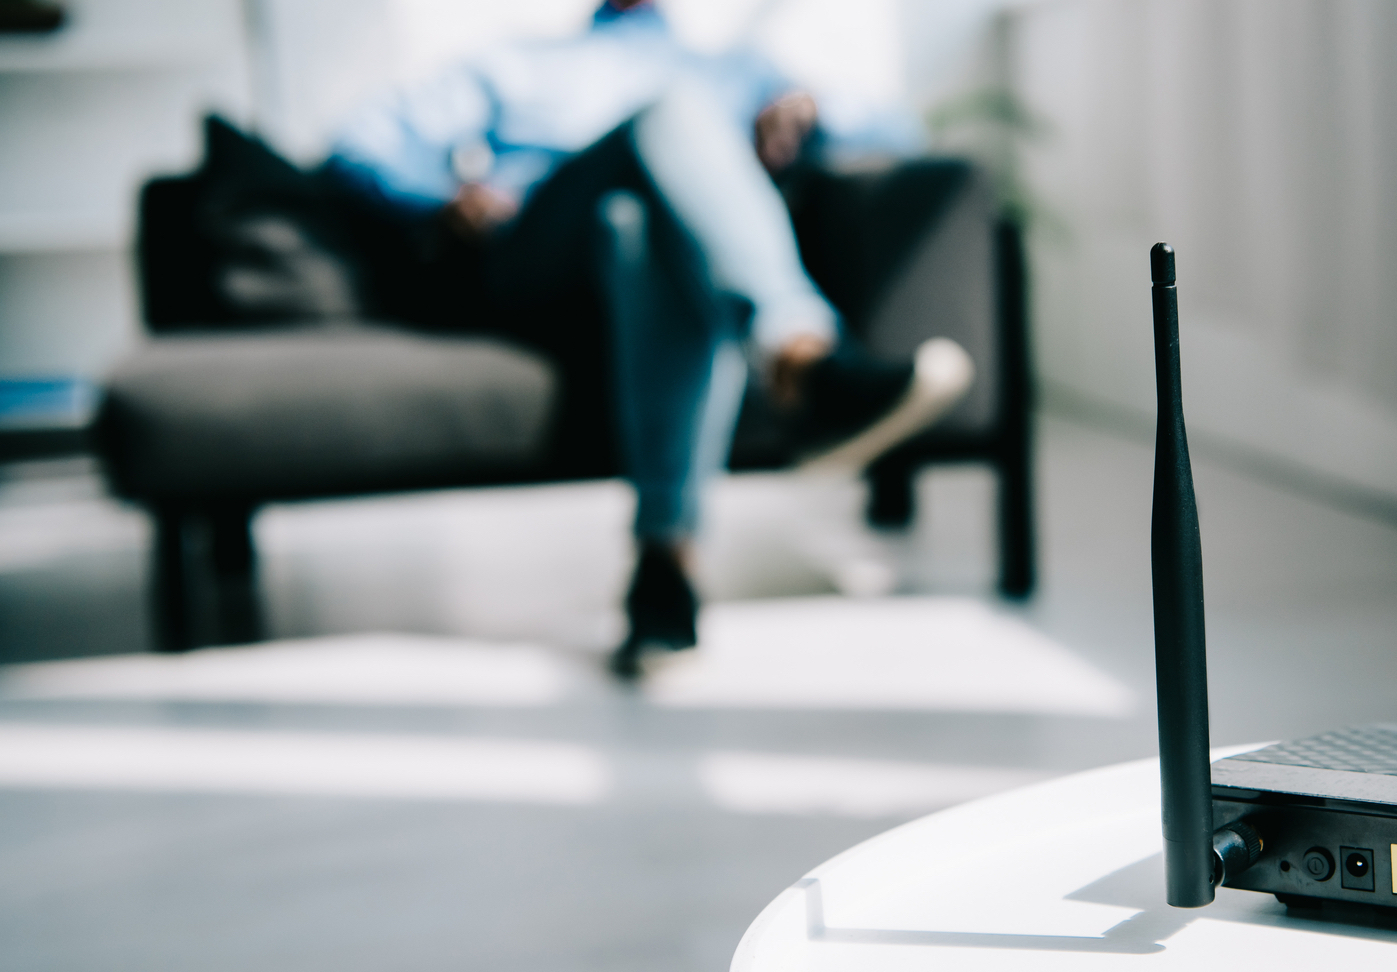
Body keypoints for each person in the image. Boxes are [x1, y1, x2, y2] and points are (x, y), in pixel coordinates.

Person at [322, 0, 970, 675]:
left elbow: (897, 132)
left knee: (636, 225)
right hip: (539, 261)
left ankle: (664, 569)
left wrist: (812, 113)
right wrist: (440, 196)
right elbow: (360, 144)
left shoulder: (738, 67)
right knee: (670, 114)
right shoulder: (514, 63)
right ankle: (800, 355)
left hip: (646, 262)